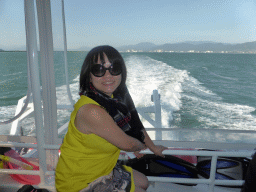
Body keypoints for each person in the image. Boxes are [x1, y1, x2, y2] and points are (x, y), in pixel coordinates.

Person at [55, 45, 167, 192]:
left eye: (114, 68)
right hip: (79, 182)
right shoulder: (91, 111)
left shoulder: (118, 97)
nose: (108, 76)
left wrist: (153, 147)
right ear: (89, 75)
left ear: (122, 71)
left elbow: (135, 124)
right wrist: (140, 145)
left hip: (102, 169)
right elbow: (128, 144)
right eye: (99, 70)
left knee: (144, 182)